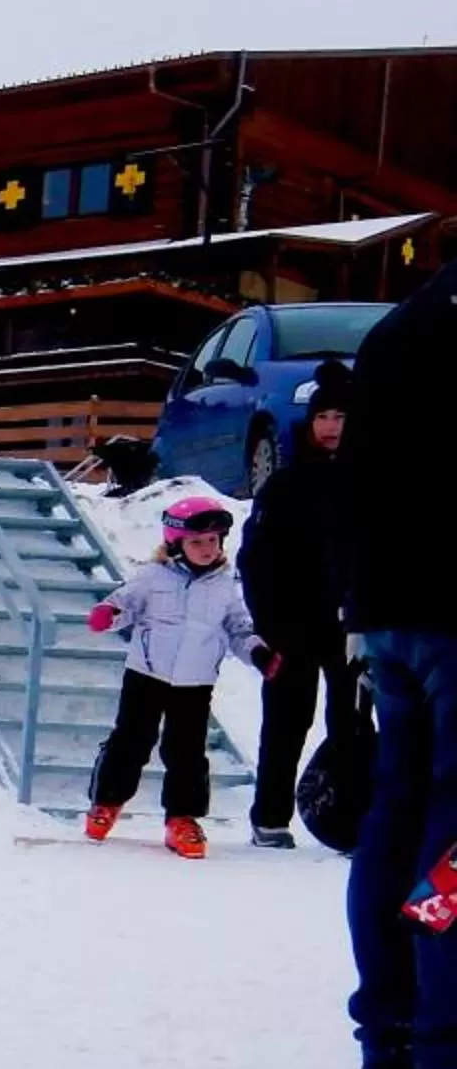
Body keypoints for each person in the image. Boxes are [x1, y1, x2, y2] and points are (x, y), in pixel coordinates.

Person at [336, 257, 457, 1069]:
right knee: (451, 827)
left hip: (387, 606)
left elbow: (352, 473)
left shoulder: (393, 330)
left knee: (396, 814)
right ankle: (446, 1049)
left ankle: (391, 1035)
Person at [83, 496, 276, 858]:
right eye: (196, 542)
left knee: (187, 750)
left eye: (213, 540)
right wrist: (108, 614)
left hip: (195, 682)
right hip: (146, 674)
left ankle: (182, 818)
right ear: (175, 544)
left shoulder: (224, 586)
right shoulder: (153, 577)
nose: (207, 549)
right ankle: (106, 802)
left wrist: (258, 654)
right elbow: (124, 603)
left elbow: (238, 628)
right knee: (131, 741)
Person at [237, 362, 363, 846]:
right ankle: (269, 819)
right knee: (286, 724)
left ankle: (350, 822)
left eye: (341, 416)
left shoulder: (368, 485)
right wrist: (270, 624)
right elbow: (254, 560)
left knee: (352, 726)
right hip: (292, 627)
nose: (331, 426)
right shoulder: (285, 485)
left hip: (353, 627)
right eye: (322, 416)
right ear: (309, 423)